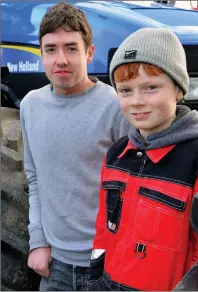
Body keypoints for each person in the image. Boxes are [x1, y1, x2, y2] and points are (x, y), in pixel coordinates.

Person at [87, 27, 198, 291]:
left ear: (178, 90)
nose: (136, 101)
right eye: (125, 90)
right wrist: (95, 281)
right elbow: (104, 230)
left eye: (150, 87)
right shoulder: (116, 155)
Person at [20, 2, 130, 291]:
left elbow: (134, 187)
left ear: (89, 52)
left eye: (71, 48)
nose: (61, 59)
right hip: (54, 267)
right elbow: (35, 180)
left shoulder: (115, 107)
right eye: (51, 49)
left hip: (108, 267)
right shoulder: (30, 106)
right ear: (41, 54)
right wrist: (38, 242)